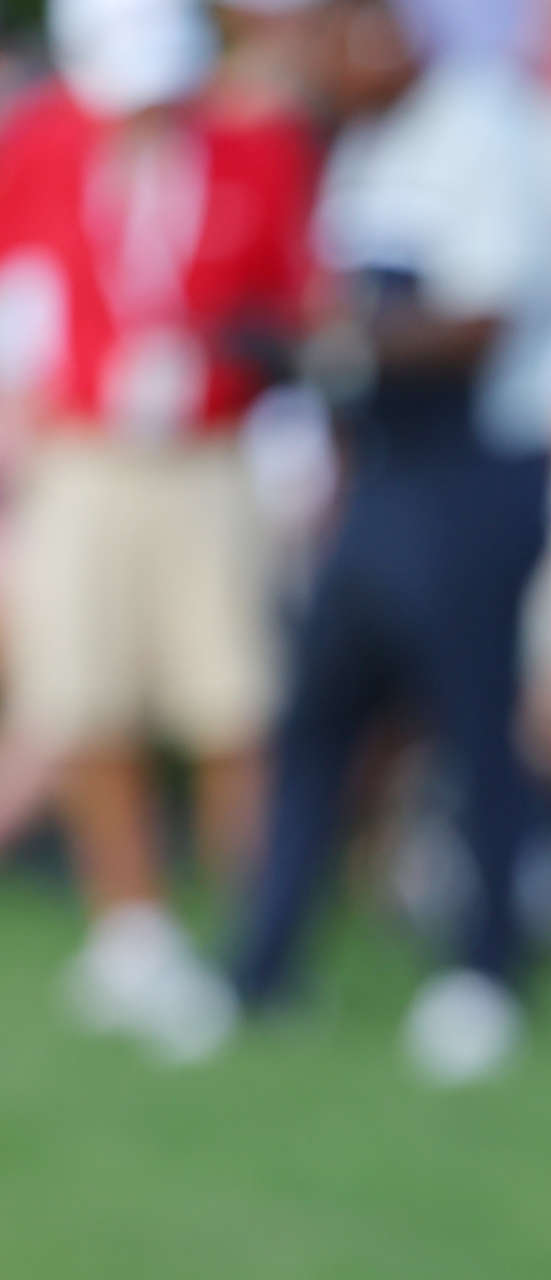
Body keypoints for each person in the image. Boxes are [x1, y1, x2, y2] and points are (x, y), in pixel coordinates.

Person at [228, 0, 551, 1084]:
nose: (313, 64)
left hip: (475, 470)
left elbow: (487, 316)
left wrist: (330, 349)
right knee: (316, 716)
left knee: (472, 726)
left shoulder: (483, 124)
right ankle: (261, 966)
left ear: (381, 29)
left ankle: (485, 973)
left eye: (325, 38)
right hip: (380, 477)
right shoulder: (361, 143)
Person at [0, 0, 315, 1062]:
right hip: (83, 452)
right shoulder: (44, 139)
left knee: (233, 702)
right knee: (85, 697)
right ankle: (129, 926)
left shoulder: (255, 148)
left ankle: (256, 931)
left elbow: (293, 296)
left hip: (210, 455)